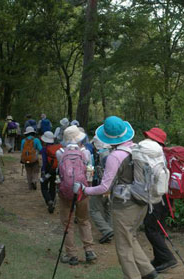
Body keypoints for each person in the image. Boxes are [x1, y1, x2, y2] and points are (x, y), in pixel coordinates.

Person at [73, 116, 160, 279]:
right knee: (130, 237)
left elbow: (105, 187)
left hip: (125, 206)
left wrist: (85, 190)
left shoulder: (115, 156)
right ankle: (149, 272)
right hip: (142, 200)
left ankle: (133, 276)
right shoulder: (137, 148)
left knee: (123, 247)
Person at [56, 125, 96, 266]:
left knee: (67, 223)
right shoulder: (85, 152)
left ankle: (71, 254)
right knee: (84, 220)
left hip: (65, 193)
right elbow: (90, 171)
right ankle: (89, 250)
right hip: (83, 191)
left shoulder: (60, 152)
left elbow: (59, 173)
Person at [143, 128, 177, 273]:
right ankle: (159, 259)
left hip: (157, 197)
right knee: (158, 228)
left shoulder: (155, 155)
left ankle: (168, 258)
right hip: (166, 197)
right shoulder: (165, 155)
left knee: (151, 228)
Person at [89, 136, 114, 244]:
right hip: (112, 186)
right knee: (107, 208)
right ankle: (109, 231)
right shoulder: (112, 153)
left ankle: (106, 230)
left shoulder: (99, 155)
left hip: (101, 185)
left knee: (93, 209)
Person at [40, 131, 61, 214]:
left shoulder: (44, 150)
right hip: (56, 170)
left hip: (48, 170)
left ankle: (49, 201)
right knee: (52, 185)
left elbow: (44, 162)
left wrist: (43, 171)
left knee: (43, 185)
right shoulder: (58, 148)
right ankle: (52, 200)